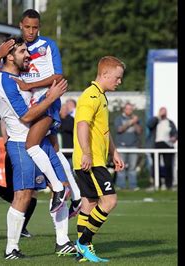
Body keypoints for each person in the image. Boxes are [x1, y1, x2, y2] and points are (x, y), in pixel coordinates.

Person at [0, 8, 81, 215]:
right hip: (33, 103)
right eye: (27, 27)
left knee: (32, 144)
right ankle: (75, 198)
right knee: (54, 150)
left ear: (39, 28)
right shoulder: (15, 48)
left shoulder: (48, 45)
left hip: (47, 101)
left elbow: (58, 75)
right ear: (21, 26)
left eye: (35, 28)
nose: (31, 31)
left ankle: (63, 191)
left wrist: (30, 86)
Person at [0, 36, 72, 259]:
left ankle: (62, 241)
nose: (28, 55)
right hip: (21, 143)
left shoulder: (19, 76)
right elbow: (26, 115)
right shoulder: (6, 81)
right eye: (22, 52)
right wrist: (51, 97)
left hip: (40, 139)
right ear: (9, 56)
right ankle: (11, 248)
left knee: (63, 186)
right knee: (24, 195)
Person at [73, 56, 126, 262]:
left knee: (90, 204)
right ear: (104, 74)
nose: (119, 82)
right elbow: (82, 125)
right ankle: (83, 243)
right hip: (91, 161)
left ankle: (81, 253)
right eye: (117, 77)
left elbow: (103, 130)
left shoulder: (101, 96)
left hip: (93, 159)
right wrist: (87, 152)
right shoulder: (91, 96)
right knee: (110, 200)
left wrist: (114, 152)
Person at [146, 107, 178, 190]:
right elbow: (149, 125)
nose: (164, 113)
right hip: (155, 145)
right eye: (162, 111)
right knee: (155, 165)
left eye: (165, 112)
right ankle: (157, 184)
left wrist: (174, 138)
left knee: (168, 165)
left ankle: (169, 185)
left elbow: (175, 133)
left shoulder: (170, 122)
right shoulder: (155, 120)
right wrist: (158, 116)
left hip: (168, 145)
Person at [114, 103, 142, 190]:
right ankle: (120, 185)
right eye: (127, 109)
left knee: (132, 168)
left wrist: (135, 123)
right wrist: (130, 122)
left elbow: (139, 131)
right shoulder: (119, 119)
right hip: (121, 146)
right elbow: (119, 129)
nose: (129, 111)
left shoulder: (136, 120)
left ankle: (133, 186)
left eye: (131, 109)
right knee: (121, 167)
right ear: (124, 109)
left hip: (133, 146)